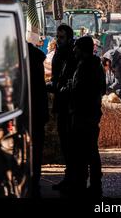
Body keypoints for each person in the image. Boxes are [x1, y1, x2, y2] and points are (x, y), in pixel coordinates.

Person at [68, 36, 106, 197]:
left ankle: (85, 183)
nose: (74, 50)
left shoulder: (85, 67)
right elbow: (102, 89)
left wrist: (66, 88)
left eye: (76, 47)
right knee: (91, 150)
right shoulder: (96, 65)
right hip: (92, 112)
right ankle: (94, 183)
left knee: (84, 150)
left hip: (84, 113)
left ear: (82, 50)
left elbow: (78, 90)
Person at [50, 24, 76, 192]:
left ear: (69, 38)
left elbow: (68, 80)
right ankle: (70, 177)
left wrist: (57, 86)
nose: (58, 40)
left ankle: (72, 178)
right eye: (57, 37)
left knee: (70, 144)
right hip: (61, 102)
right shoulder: (59, 53)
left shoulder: (71, 55)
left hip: (69, 105)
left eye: (61, 37)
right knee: (65, 143)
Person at [28, 43, 49, 198]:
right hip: (39, 111)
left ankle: (31, 180)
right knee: (37, 147)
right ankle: (35, 179)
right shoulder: (37, 60)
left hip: (29, 111)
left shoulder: (25, 60)